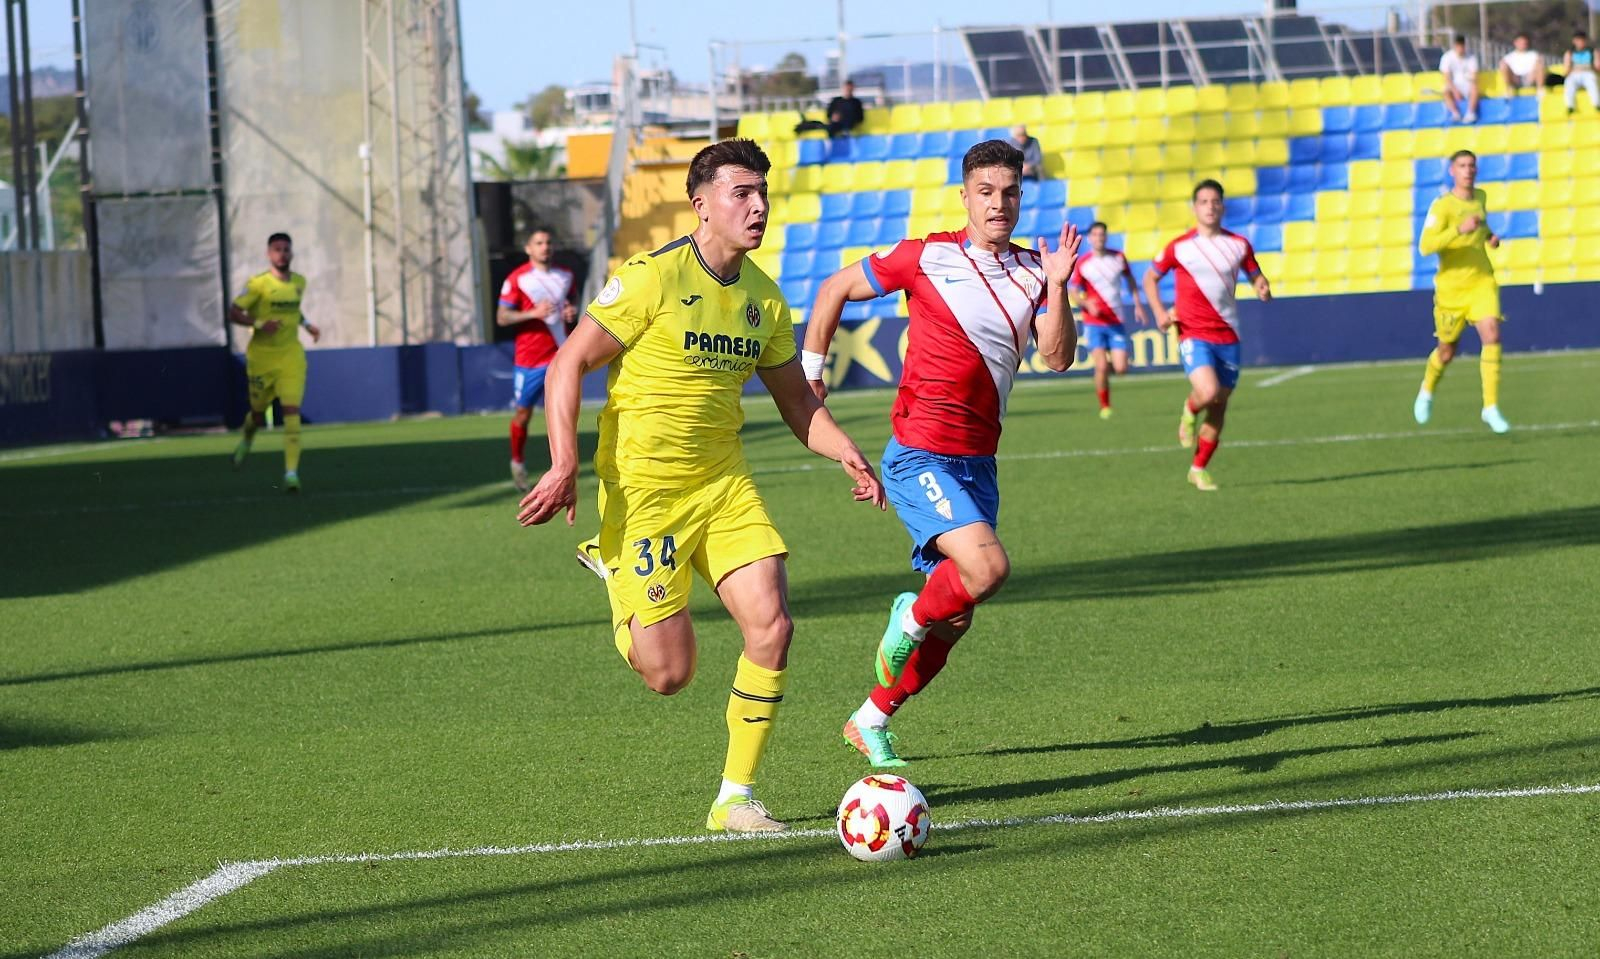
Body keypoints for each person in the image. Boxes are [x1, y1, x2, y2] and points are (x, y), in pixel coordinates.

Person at [517, 138, 885, 833]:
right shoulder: (651, 278)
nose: (757, 206)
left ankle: (735, 797)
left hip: (722, 484)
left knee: (772, 623)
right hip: (645, 492)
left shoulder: (765, 301)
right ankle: (614, 562)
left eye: (763, 193)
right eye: (741, 193)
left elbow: (797, 404)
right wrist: (564, 463)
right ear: (701, 205)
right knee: (669, 673)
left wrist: (846, 452)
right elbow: (566, 367)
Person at [803, 139, 1081, 768]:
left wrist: (1059, 286)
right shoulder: (924, 256)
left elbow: (1058, 356)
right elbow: (832, 290)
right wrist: (812, 380)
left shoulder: (1038, 270)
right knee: (987, 571)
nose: (999, 204)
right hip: (920, 453)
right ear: (965, 196)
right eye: (986, 192)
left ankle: (870, 718)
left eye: (1010, 192)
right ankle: (906, 616)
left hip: (978, 463)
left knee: (957, 617)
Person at [1142, 180, 1272, 493]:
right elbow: (1150, 277)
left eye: (1215, 201)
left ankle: (1198, 468)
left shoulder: (1239, 245)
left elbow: (1256, 274)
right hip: (1192, 331)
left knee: (1219, 406)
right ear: (1194, 208)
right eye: (1203, 201)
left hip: (1228, 333)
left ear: (1222, 206)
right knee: (1208, 390)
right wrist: (1160, 312)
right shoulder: (1180, 246)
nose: (1210, 206)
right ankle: (1189, 409)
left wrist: (1262, 286)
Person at [1413, 149, 1509, 434]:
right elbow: (1426, 246)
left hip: (1481, 281)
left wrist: (1489, 236)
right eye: (1462, 165)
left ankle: (1490, 406)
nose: (1468, 170)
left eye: (1472, 165)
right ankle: (1427, 389)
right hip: (1451, 290)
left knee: (1492, 333)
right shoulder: (1442, 206)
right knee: (1447, 351)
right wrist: (1459, 229)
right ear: (1451, 171)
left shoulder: (1480, 197)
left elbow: (1481, 225)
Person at [228, 232, 321, 492]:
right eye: (277, 249)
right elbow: (233, 311)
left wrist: (307, 324)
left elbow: (294, 309)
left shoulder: (299, 282)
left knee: (291, 412)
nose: (282, 254)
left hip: (291, 356)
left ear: (291, 253)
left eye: (286, 249)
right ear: (269, 254)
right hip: (262, 359)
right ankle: (246, 440)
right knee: (257, 414)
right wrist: (259, 324)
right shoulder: (258, 284)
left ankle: (291, 474)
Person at [498, 228, 577, 491]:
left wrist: (570, 312)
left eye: (548, 242)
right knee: (523, 414)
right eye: (539, 243)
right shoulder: (517, 279)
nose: (545, 247)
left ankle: (561, 468)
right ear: (529, 249)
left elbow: (571, 305)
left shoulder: (566, 276)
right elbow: (502, 317)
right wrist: (532, 314)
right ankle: (518, 461)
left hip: (560, 355)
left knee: (562, 413)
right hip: (529, 358)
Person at [1067, 221, 1149, 418]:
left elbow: (1130, 281)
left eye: (1102, 234)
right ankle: (1105, 405)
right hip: (1094, 322)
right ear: (1090, 238)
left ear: (1106, 236)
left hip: (1116, 320)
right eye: (1095, 235)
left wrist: (1138, 304)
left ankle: (1103, 374)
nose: (1099, 238)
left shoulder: (1118, 258)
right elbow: (1073, 290)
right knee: (1101, 366)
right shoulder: (1084, 262)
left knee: (1121, 369)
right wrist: (1087, 304)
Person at [1440, 35, 1481, 124]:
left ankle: (1470, 113)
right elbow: (1446, 77)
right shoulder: (1447, 57)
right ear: (1455, 46)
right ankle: (1455, 113)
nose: (1461, 48)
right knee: (1445, 91)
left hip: (1468, 85)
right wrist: (1455, 91)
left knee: (1474, 87)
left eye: (1462, 46)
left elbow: (1474, 76)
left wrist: (1470, 81)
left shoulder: (1471, 57)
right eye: (1459, 46)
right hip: (1454, 85)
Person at [1497, 33, 1545, 99]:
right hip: (1515, 79)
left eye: (1524, 43)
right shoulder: (1508, 57)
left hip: (1530, 78)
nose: (1522, 45)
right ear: (1515, 43)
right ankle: (1509, 89)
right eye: (1520, 42)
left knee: (1539, 64)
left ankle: (1540, 90)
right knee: (1503, 65)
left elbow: (1538, 66)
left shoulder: (1534, 54)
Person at [1565, 31, 1598, 114]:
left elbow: (1597, 66)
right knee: (1569, 82)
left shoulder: (1592, 51)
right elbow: (1567, 68)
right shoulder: (1570, 52)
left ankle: (1597, 104)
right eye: (1578, 40)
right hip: (1574, 74)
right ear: (1574, 41)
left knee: (1592, 81)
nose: (1580, 42)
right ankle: (1570, 106)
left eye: (1582, 40)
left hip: (1588, 73)